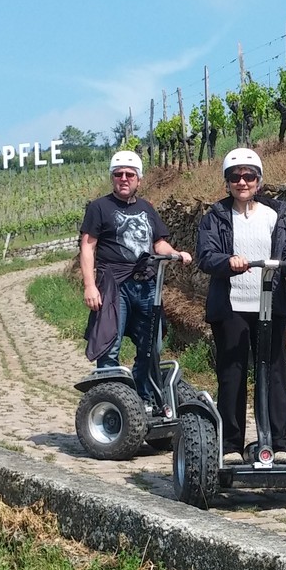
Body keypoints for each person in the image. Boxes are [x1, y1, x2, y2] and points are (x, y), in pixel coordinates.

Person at [196, 148, 286, 463]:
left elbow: (284, 248)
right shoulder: (216, 216)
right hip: (231, 305)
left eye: (249, 176)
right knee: (232, 372)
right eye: (235, 177)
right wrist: (227, 260)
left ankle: (279, 444)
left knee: (274, 372)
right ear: (227, 182)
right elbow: (206, 255)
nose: (242, 182)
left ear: (259, 182)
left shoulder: (274, 214)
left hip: (269, 303)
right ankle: (231, 445)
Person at [79, 149, 191, 404]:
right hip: (113, 285)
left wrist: (176, 253)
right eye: (119, 174)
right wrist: (89, 286)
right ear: (112, 178)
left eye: (130, 174)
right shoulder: (99, 208)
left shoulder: (147, 208)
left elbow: (158, 243)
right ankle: (110, 401)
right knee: (110, 344)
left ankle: (144, 398)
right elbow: (88, 246)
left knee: (151, 345)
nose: (124, 178)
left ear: (139, 179)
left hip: (146, 285)